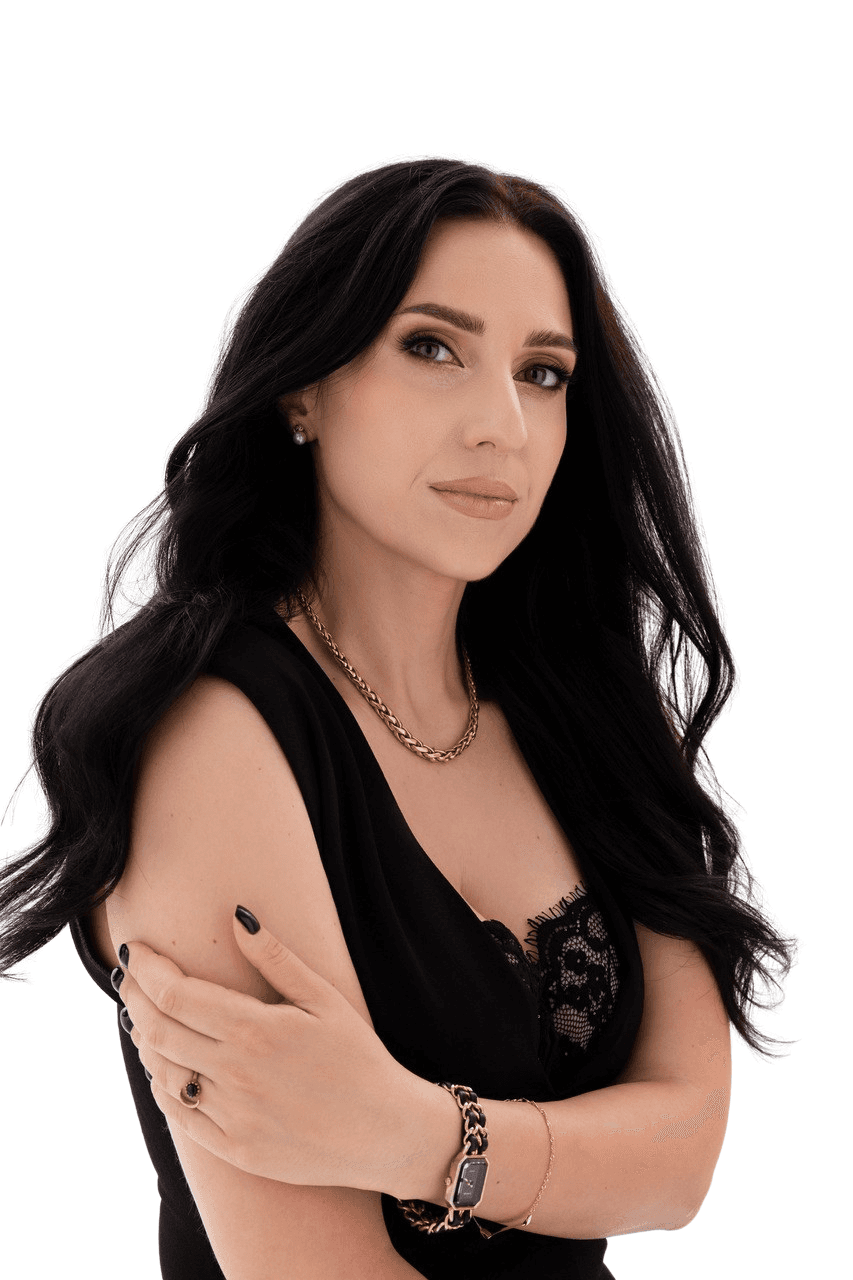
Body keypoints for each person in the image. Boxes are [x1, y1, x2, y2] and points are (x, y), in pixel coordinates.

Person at [0, 158, 796, 1279]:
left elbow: (681, 1158)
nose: (502, 425)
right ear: (303, 389)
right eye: (432, 347)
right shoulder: (212, 741)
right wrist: (550, 1158)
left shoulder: (596, 711)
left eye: (543, 373)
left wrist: (417, 1134)